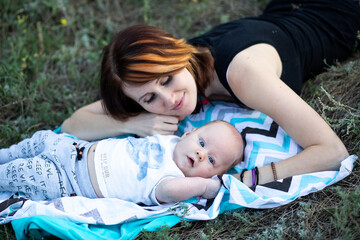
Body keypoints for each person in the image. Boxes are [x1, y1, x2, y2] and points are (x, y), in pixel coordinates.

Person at [61, 0, 360, 188]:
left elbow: (332, 152)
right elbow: (73, 124)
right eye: (149, 100)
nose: (169, 101)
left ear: (175, 50)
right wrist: (130, 124)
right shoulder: (154, 76)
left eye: (166, 80)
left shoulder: (243, 74)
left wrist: (249, 178)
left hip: (339, 12)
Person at [0, 120, 244, 205]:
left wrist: (205, 187)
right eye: (202, 143)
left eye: (212, 160)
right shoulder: (171, 141)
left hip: (69, 181)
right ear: (189, 134)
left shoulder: (172, 180)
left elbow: (170, 191)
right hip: (74, 148)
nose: (202, 154)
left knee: (23, 172)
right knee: (38, 141)